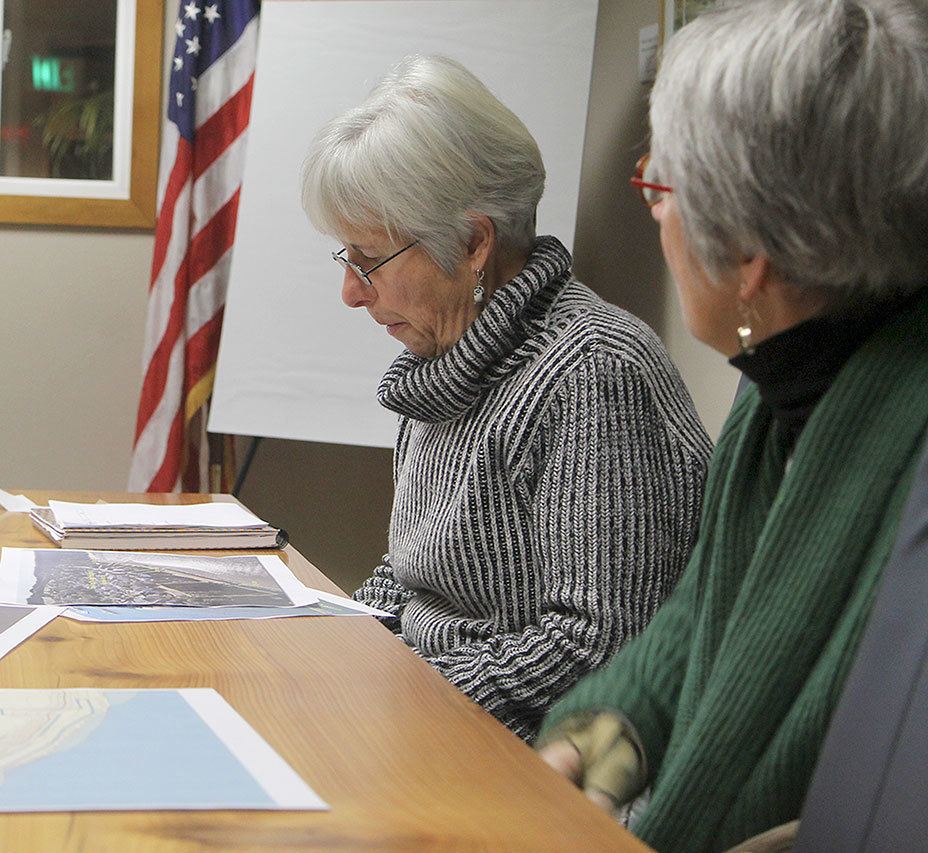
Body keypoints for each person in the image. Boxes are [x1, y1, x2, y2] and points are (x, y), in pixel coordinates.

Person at [537, 0, 928, 849]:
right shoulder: (778, 387)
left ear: (750, 257)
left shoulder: (909, 451)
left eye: (661, 184)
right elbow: (716, 605)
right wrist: (615, 722)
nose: (651, 206)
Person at [299, 54, 712, 742]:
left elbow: (597, 645)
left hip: (532, 759)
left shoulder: (592, 373)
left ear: (471, 243)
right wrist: (340, 652)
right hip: (433, 721)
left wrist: (393, 695)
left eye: (367, 259)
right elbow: (412, 575)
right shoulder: (442, 363)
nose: (351, 292)